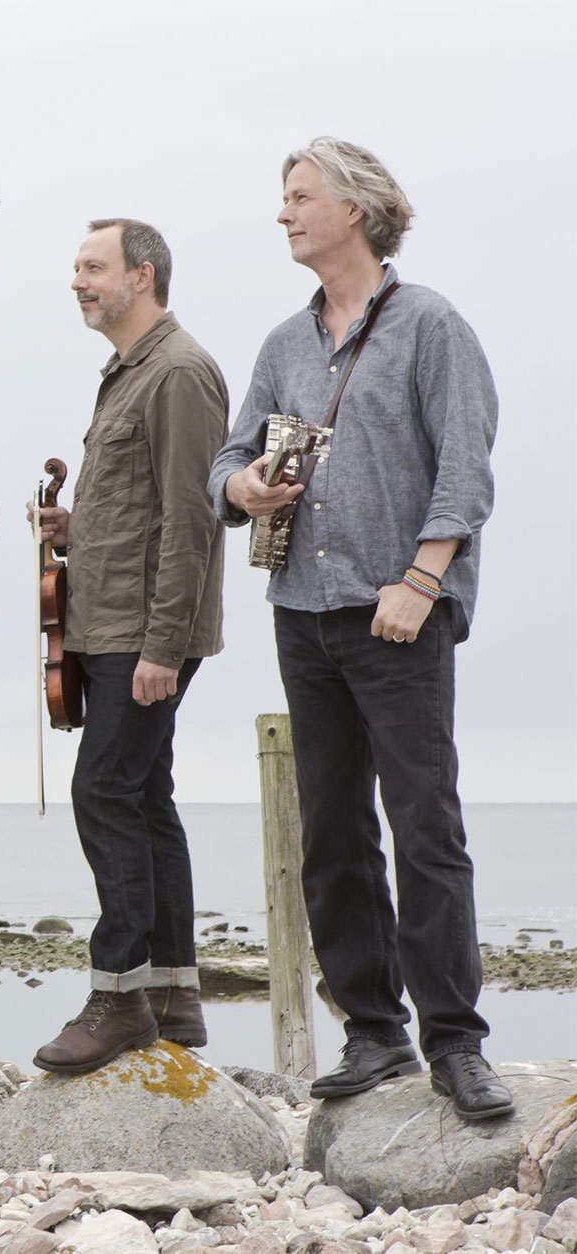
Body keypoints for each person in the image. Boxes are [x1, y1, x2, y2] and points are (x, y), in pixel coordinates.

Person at [207, 138, 508, 1119]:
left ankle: (457, 1043)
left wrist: (421, 581)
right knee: (331, 834)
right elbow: (228, 465)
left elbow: (466, 473)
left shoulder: (432, 326)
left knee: (425, 826)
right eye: (282, 195)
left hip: (400, 615)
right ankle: (373, 1034)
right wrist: (244, 486)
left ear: (357, 208)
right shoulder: (283, 347)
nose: (284, 212)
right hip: (303, 611)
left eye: (299, 196)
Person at [28, 219, 227, 1074]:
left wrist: (163, 646)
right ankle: (176, 995)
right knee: (143, 797)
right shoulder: (129, 373)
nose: (77, 281)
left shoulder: (179, 373)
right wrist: (78, 525)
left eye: (92, 267)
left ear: (141, 276)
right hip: (111, 621)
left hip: (142, 635)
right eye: (76, 267)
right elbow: (144, 506)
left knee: (103, 791)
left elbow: (193, 521)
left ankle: (118, 997)